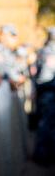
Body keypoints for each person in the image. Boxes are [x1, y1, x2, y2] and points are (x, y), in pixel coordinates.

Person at [33, 27, 55, 165]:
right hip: (49, 93)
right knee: (47, 125)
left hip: (47, 92)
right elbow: (45, 78)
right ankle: (43, 156)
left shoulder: (45, 49)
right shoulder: (50, 51)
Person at [0, 25, 25, 90]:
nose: (15, 39)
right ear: (3, 35)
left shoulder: (9, 51)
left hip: (11, 87)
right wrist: (15, 78)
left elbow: (16, 68)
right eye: (12, 36)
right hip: (1, 88)